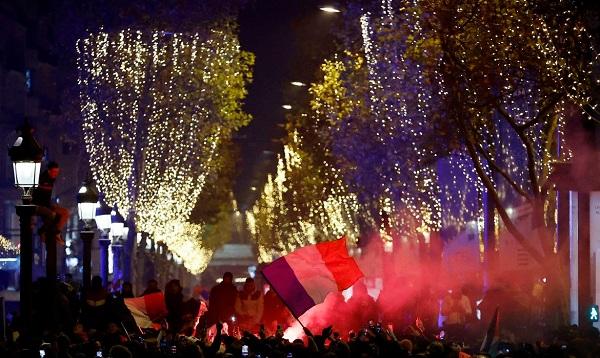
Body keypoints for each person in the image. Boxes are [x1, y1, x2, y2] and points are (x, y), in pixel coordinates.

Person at [32, 161, 69, 244]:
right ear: (49, 171)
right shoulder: (41, 179)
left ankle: (57, 232)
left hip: (47, 205)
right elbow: (37, 195)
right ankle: (43, 231)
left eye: (57, 172)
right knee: (51, 215)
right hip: (38, 205)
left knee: (65, 213)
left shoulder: (52, 180)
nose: (56, 174)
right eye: (54, 172)